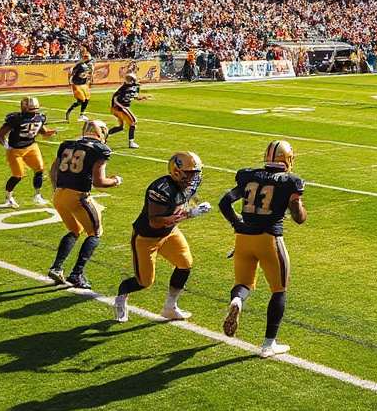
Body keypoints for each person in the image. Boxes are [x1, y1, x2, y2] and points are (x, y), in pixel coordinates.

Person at [219, 141, 308, 358]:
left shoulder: (248, 175)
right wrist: (296, 205)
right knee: (279, 290)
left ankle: (237, 301)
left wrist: (236, 223)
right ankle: (269, 344)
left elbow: (225, 202)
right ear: (287, 159)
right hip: (269, 240)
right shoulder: (291, 181)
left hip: (243, 238)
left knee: (244, 284)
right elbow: (299, 218)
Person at [114, 151, 211, 323]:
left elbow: (186, 200)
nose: (194, 177)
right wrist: (189, 214)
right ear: (177, 171)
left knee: (185, 264)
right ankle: (122, 294)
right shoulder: (160, 189)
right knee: (145, 282)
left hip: (170, 233)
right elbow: (156, 222)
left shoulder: (187, 186)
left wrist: (193, 205)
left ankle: (170, 307)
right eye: (190, 173)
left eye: (196, 173)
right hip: (146, 238)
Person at [48, 120, 120, 289]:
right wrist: (115, 181)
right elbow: (99, 182)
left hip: (59, 195)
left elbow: (53, 171)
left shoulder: (67, 144)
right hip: (78, 196)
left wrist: (56, 190)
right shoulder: (100, 149)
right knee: (95, 233)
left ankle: (57, 267)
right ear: (102, 132)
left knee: (74, 230)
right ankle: (76, 274)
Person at [0, 96, 56, 208]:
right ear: (24, 108)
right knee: (18, 175)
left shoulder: (40, 117)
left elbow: (41, 130)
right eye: (31, 109)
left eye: (34, 109)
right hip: (16, 149)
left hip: (31, 146)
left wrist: (47, 133)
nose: (33, 111)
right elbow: (0, 134)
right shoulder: (16, 118)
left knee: (40, 169)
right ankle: (9, 197)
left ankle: (37, 195)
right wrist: (6, 145)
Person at [107, 72, 148, 149]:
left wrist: (140, 98)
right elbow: (115, 98)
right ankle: (131, 143)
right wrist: (120, 106)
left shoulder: (135, 87)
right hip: (118, 108)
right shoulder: (124, 88)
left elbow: (133, 96)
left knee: (121, 127)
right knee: (133, 122)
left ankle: (103, 135)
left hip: (123, 107)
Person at [65, 50, 95, 122]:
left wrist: (91, 81)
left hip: (84, 83)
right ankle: (69, 111)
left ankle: (82, 115)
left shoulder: (90, 65)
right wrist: (69, 79)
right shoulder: (80, 65)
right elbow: (72, 71)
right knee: (81, 100)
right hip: (77, 83)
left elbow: (90, 74)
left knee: (87, 99)